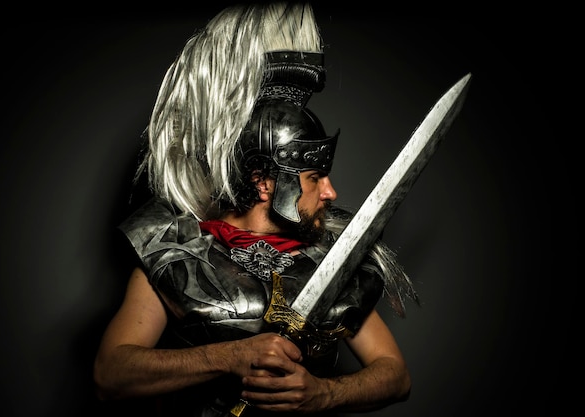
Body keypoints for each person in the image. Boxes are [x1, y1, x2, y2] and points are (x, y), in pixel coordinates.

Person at [93, 2, 420, 416]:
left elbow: (396, 375)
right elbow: (110, 374)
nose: (332, 192)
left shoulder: (332, 260)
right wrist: (227, 357)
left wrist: (323, 394)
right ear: (263, 182)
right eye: (314, 177)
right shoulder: (174, 247)